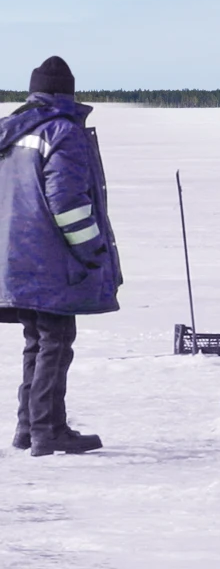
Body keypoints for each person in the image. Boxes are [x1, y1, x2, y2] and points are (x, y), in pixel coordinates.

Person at [0, 57, 123, 456]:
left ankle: (28, 427)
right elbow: (67, 203)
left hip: (14, 257)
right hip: (49, 259)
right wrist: (92, 251)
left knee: (37, 340)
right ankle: (47, 430)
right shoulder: (61, 132)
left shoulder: (10, 132)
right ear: (67, 93)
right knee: (55, 340)